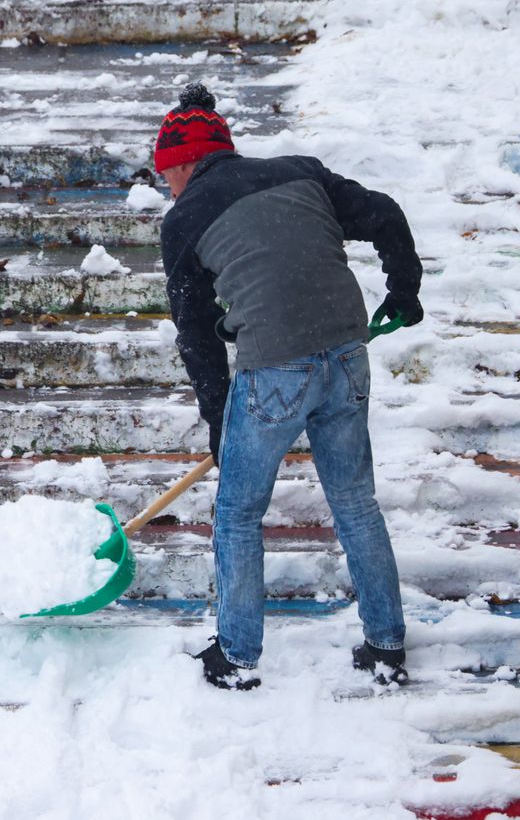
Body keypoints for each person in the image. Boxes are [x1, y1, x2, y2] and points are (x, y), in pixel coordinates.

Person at [155, 83, 423, 690]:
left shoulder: (185, 219)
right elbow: (385, 213)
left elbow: (196, 335)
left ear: (184, 164)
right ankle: (385, 646)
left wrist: (220, 422)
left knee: (238, 513)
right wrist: (403, 288)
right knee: (355, 504)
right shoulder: (301, 172)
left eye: (165, 173)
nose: (166, 187)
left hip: (274, 370)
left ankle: (236, 657)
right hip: (347, 357)